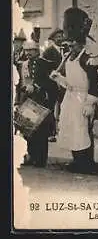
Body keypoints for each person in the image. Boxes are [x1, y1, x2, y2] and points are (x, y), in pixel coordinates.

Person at [49, 8, 98, 174]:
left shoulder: (88, 59)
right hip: (71, 98)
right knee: (71, 128)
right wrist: (59, 78)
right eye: (69, 44)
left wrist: (90, 104)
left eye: (74, 44)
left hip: (83, 99)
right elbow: (70, 83)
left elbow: (94, 83)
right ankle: (76, 160)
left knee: (83, 130)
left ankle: (87, 162)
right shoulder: (68, 58)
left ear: (81, 43)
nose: (71, 47)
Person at [18, 40, 55, 168]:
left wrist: (37, 87)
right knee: (28, 129)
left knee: (41, 131)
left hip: (42, 100)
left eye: (31, 50)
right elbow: (21, 84)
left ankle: (41, 159)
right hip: (29, 100)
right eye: (26, 50)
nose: (28, 53)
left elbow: (51, 82)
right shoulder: (23, 65)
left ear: (37, 51)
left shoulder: (45, 64)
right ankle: (31, 155)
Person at [42, 28, 65, 142]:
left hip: (64, 84)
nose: (60, 38)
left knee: (64, 107)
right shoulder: (48, 51)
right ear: (53, 39)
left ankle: (63, 132)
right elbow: (44, 69)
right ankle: (50, 133)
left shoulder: (66, 50)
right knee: (50, 108)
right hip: (52, 84)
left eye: (61, 36)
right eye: (58, 36)